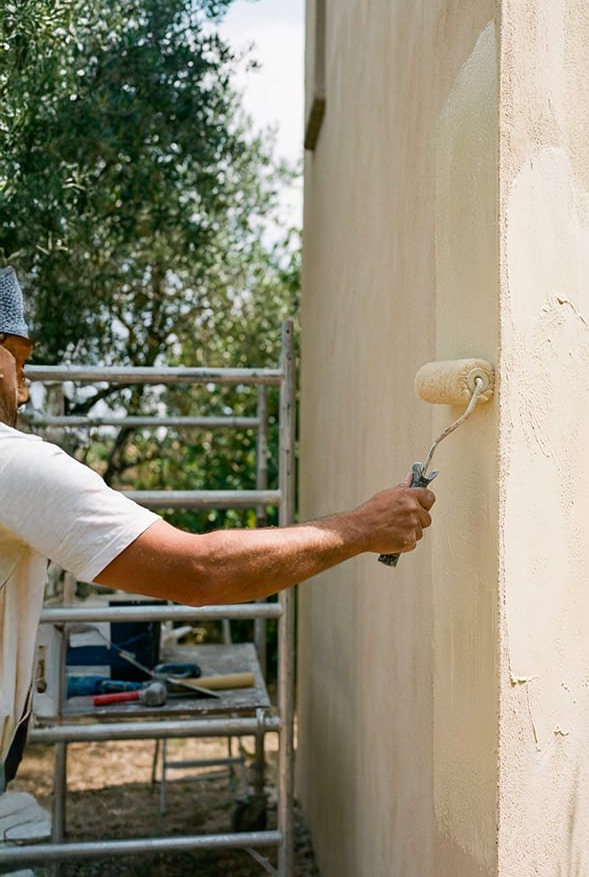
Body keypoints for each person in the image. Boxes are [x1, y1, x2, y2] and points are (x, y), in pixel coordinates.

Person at [0, 266, 436, 787]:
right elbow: (200, 571)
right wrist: (363, 528)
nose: (24, 392)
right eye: (19, 363)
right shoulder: (15, 466)